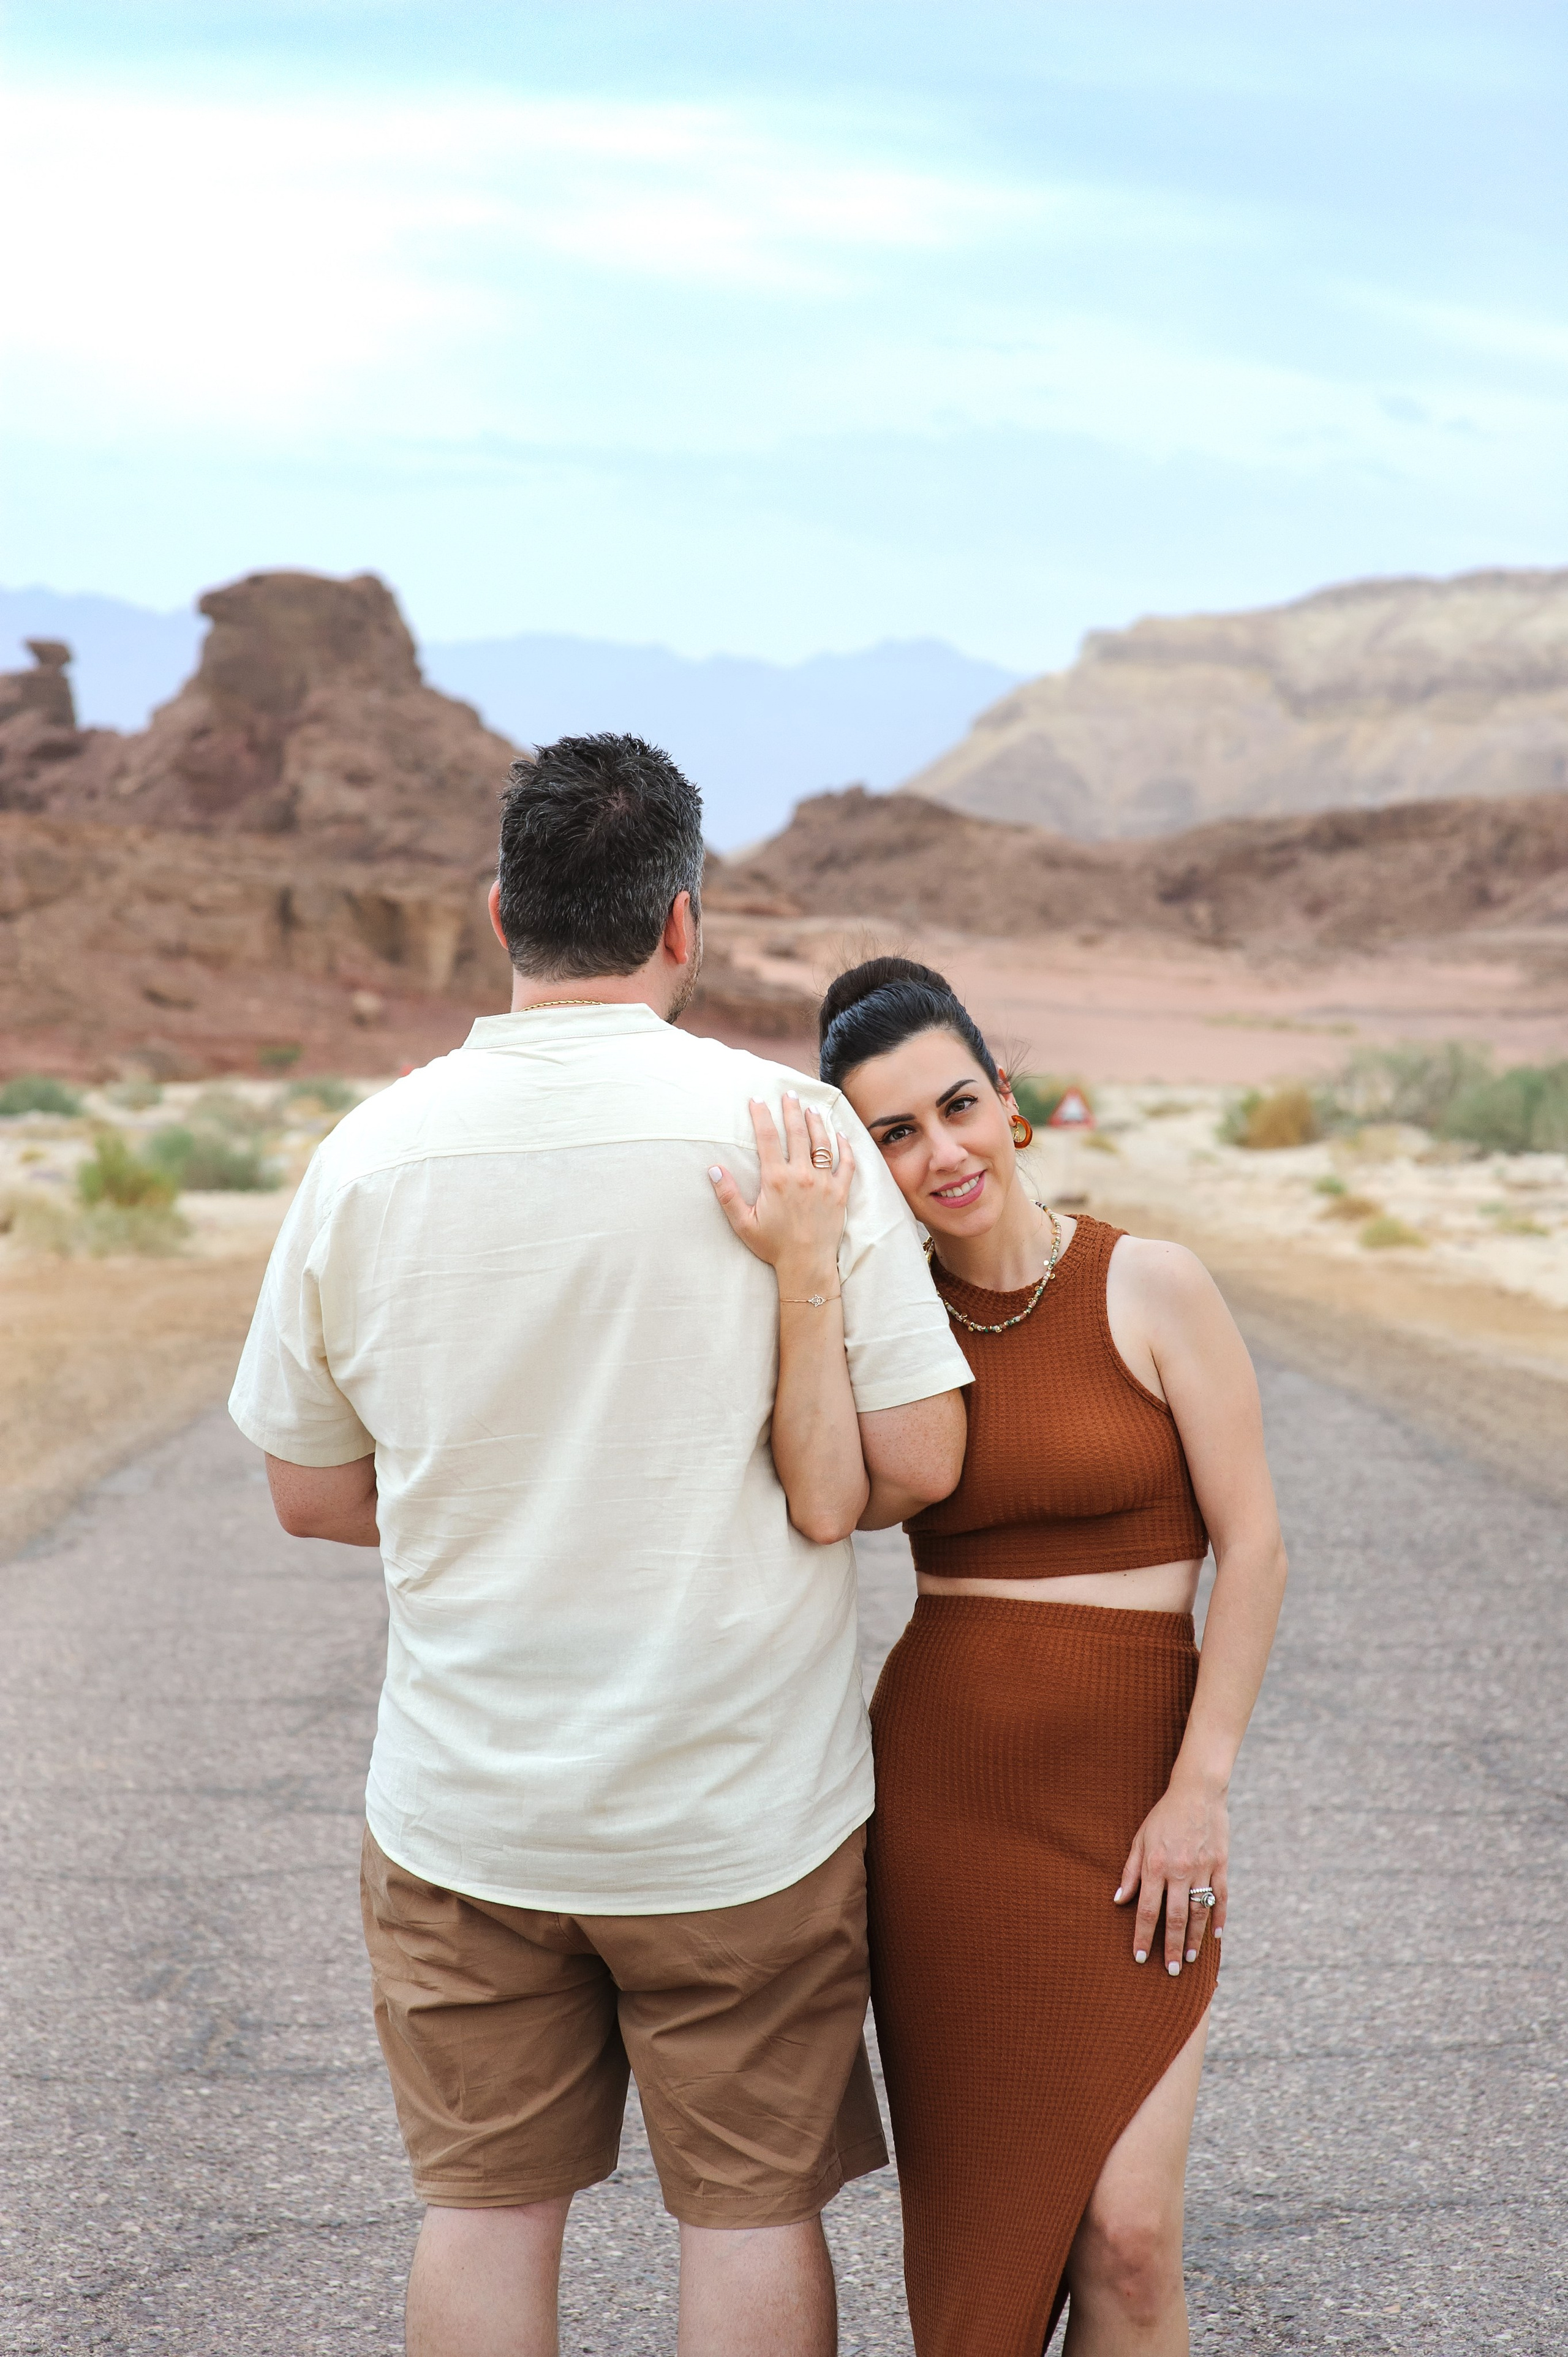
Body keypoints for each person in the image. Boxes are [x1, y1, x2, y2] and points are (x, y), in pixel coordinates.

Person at [230, 741, 972, 2357]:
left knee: (485, 2215)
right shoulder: (793, 1136)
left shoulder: (365, 1157)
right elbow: (916, 1461)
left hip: (467, 1819)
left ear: (502, 913)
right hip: (741, 1822)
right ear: (684, 926)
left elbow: (305, 1491)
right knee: (752, 2215)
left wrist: (479, 1494)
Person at [813, 956, 1288, 2356]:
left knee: (1131, 2241)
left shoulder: (1148, 1283)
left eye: (954, 1105)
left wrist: (1197, 1788)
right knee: (993, 2242)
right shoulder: (880, 1324)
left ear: (1006, 1101)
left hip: (1138, 1802)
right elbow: (811, 1507)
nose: (938, 1151)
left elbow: (1251, 1549)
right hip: (946, 1812)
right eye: (892, 1134)